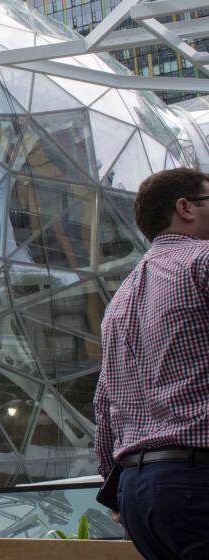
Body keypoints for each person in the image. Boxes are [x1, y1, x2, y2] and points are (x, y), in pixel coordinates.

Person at [95, 168, 209, 559]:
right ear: (186, 208)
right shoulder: (203, 261)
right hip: (198, 478)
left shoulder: (119, 301)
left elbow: (104, 404)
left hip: (138, 495)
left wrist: (115, 489)